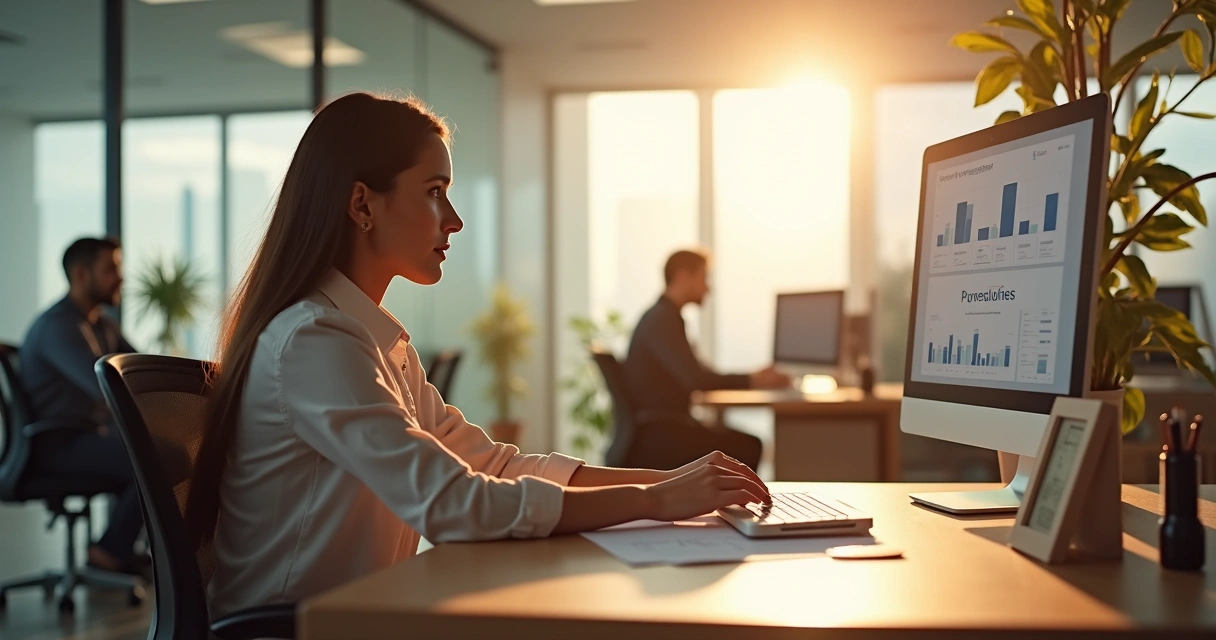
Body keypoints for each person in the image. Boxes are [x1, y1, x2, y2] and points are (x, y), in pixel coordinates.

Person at [185, 92, 772, 617]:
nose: (455, 220)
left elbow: (491, 467)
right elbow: (452, 504)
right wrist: (656, 499)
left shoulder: (373, 342)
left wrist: (672, 482)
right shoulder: (313, 344)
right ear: (363, 205)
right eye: (434, 193)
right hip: (305, 631)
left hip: (364, 615)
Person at [20, 237, 147, 575]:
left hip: (87, 438)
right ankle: (108, 552)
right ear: (80, 274)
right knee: (154, 458)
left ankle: (116, 548)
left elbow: (141, 372)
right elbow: (108, 388)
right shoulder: (59, 327)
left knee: (159, 454)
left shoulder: (102, 324)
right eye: (111, 269)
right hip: (55, 445)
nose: (121, 277)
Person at [622, 249, 791, 471]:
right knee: (749, 446)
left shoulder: (662, 316)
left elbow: (696, 373)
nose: (708, 288)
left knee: (740, 441)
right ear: (683, 276)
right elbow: (695, 379)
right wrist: (753, 379)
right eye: (704, 277)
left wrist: (752, 378)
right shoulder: (663, 320)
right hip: (661, 437)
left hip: (658, 431)